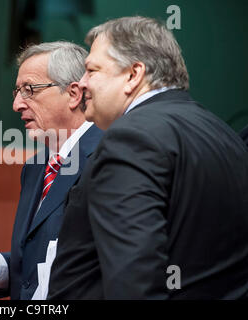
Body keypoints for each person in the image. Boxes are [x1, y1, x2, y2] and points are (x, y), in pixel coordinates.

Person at [48, 16, 248, 299]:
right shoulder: (223, 134)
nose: (81, 84)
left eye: (92, 70)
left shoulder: (131, 138)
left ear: (133, 75)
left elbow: (134, 281)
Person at [0, 41, 103, 299]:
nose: (17, 104)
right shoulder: (36, 166)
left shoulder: (108, 159)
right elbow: (44, 257)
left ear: (74, 94)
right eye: (16, 91)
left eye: (29, 90)